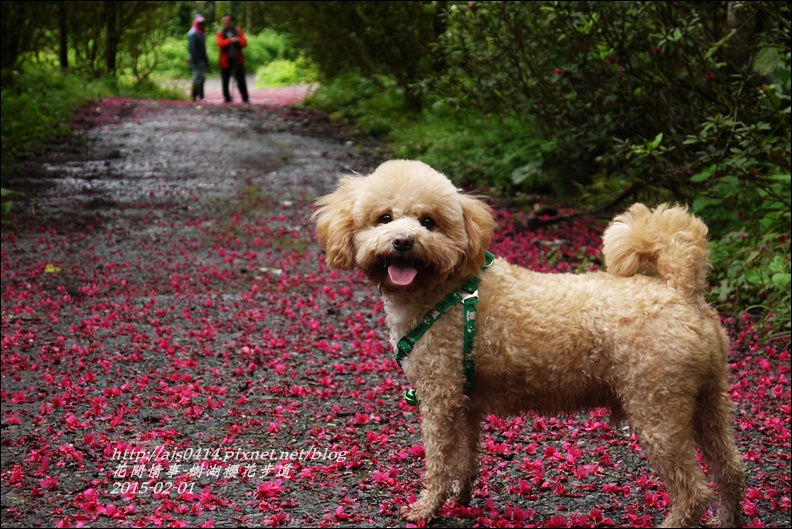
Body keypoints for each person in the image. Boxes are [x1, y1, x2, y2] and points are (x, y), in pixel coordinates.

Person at [216, 14, 249, 103]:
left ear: (231, 22)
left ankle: (245, 97)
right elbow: (220, 43)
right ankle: (227, 97)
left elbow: (245, 43)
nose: (225, 23)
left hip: (237, 60)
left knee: (241, 79)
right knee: (225, 80)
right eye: (224, 21)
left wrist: (238, 41)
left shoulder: (238, 31)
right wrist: (230, 40)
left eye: (227, 21)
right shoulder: (220, 32)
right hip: (225, 61)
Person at [186, 14, 208, 101]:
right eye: (200, 23)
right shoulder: (192, 34)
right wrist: (195, 61)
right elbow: (192, 49)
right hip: (196, 60)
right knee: (198, 78)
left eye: (202, 23)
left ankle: (194, 96)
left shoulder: (202, 33)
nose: (201, 25)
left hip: (201, 60)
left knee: (199, 78)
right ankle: (200, 97)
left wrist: (206, 61)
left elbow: (203, 49)